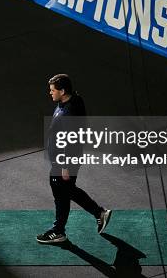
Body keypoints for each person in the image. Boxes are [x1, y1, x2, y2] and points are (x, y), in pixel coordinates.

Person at [37, 74, 111, 244]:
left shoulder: (69, 112)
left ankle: (59, 230)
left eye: (53, 90)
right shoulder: (73, 101)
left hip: (65, 161)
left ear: (63, 91)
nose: (50, 93)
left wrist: (64, 166)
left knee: (62, 191)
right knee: (66, 190)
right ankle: (97, 213)